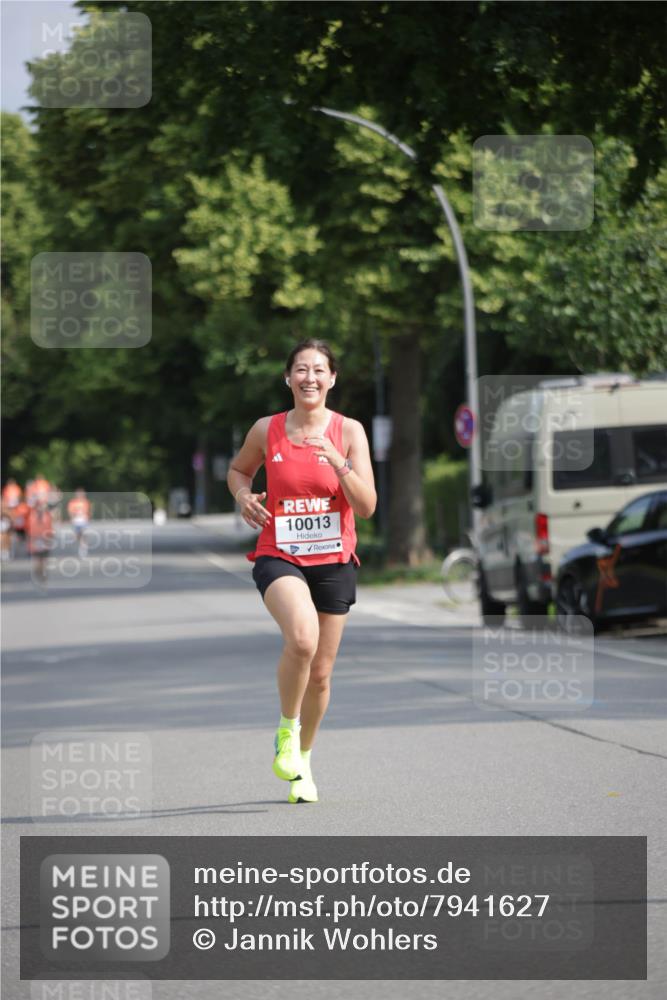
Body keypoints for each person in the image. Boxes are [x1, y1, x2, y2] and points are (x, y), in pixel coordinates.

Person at [227, 339, 377, 804]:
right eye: (300, 370)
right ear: (287, 378)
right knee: (303, 640)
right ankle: (287, 731)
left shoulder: (349, 431)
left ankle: (303, 764)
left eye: (319, 370)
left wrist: (339, 463)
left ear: (332, 379)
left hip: (334, 559)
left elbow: (368, 507)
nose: (309, 377)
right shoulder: (266, 429)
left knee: (322, 675)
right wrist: (242, 496)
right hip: (281, 554)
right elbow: (238, 471)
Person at [25, 498, 54, 585]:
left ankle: (42, 574)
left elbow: (50, 528)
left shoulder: (47, 515)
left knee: (44, 559)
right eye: (39, 506)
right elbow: (27, 528)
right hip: (35, 539)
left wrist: (50, 538)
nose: (40, 508)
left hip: (44, 539)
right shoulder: (31, 516)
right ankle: (38, 573)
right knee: (37, 559)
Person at [67, 487, 91, 556]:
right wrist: (72, 517)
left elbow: (87, 511)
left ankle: (83, 548)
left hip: (83, 520)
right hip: (76, 521)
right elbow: (70, 511)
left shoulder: (86, 502)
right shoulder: (73, 502)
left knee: (84, 534)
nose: (80, 495)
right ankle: (80, 543)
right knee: (77, 535)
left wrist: (86, 518)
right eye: (78, 494)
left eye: (81, 494)